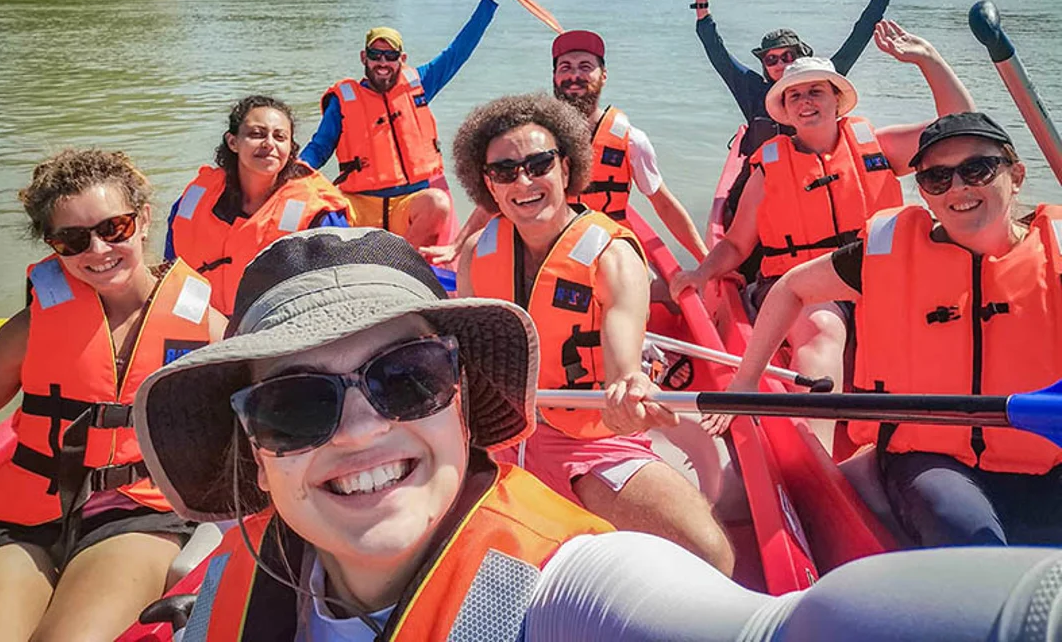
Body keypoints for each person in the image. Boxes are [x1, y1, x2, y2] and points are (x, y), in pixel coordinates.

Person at [133, 226, 740, 641]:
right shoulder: (228, 589)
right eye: (294, 405)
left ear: (463, 402)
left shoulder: (569, 595)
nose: (361, 430)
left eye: (408, 377)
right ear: (257, 454)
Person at [722, 112, 1062, 546]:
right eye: (937, 178)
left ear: (1015, 176)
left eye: (977, 169)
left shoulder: (1055, 255)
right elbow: (791, 287)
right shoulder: (888, 254)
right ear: (925, 193)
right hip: (935, 460)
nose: (958, 187)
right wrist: (745, 381)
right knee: (965, 531)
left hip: (1048, 458)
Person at [454, 93, 735, 576]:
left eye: (538, 164)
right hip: (499, 437)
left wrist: (629, 387)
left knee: (710, 553)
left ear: (566, 168)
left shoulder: (613, 255)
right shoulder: (477, 252)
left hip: (586, 440)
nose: (523, 182)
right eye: (504, 171)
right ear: (488, 184)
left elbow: (624, 361)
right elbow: (468, 360)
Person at [0, 148, 226, 642]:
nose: (97, 249)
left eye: (114, 228)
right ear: (52, 245)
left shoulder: (208, 328)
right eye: (72, 239)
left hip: (140, 516)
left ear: (143, 221)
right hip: (25, 516)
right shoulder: (30, 329)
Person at [671, 22, 975, 404]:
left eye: (815, 91)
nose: (805, 101)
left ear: (836, 99)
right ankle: (815, 434)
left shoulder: (879, 147)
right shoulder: (768, 169)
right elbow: (736, 244)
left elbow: (963, 127)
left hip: (878, 277)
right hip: (799, 286)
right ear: (785, 109)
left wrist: (928, 61)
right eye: (794, 95)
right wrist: (701, 273)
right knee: (822, 327)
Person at [424, 29, 709, 269]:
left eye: (585, 67)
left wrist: (706, 261)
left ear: (603, 75)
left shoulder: (632, 140)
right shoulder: (533, 138)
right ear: (554, 77)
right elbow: (500, 191)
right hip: (541, 245)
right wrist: (457, 245)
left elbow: (663, 204)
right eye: (565, 68)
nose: (574, 76)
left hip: (603, 247)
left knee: (655, 289)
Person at [300, 0, 504, 248]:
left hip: (411, 205)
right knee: (310, 208)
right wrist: (292, 173)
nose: (382, 63)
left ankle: (399, 259)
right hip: (360, 204)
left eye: (390, 55)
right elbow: (318, 148)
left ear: (402, 58)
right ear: (364, 58)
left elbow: (459, 50)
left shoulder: (421, 83)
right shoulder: (343, 99)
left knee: (438, 204)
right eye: (375, 55)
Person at [695, 0, 892, 226]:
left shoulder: (824, 78)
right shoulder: (753, 89)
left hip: (814, 176)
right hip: (763, 179)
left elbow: (858, 38)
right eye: (771, 59)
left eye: (787, 56)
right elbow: (718, 54)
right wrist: (702, 6)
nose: (780, 65)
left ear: (800, 57)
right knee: (738, 209)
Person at [167, 95, 353, 317]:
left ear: (291, 147)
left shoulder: (318, 210)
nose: (269, 144)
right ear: (233, 142)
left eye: (280, 137)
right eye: (256, 134)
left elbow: (341, 288)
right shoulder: (194, 199)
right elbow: (170, 268)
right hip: (198, 319)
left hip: (280, 325)